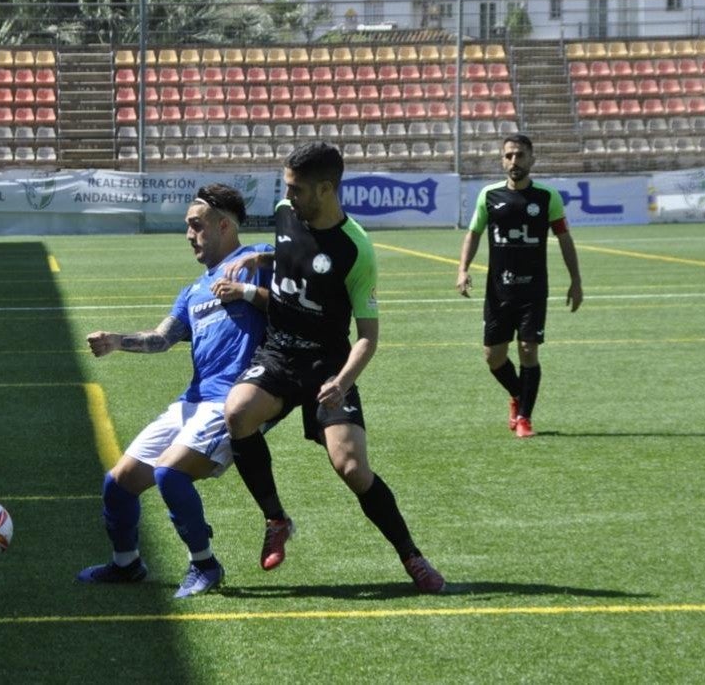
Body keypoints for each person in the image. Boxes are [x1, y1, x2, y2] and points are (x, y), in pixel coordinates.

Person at [222, 141, 445, 593]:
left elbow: (368, 337)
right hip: (279, 353)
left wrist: (342, 382)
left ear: (326, 189)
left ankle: (412, 556)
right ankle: (276, 519)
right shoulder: (288, 210)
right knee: (237, 414)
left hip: (328, 365)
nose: (289, 196)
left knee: (351, 468)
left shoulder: (355, 249)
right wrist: (260, 259)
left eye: (298, 189)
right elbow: (293, 256)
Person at [77, 184, 272, 598]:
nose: (189, 234)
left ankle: (205, 564)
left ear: (223, 225)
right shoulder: (193, 291)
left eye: (195, 225)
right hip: (193, 400)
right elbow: (162, 339)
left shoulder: (257, 261)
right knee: (118, 483)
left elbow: (304, 286)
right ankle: (126, 565)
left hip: (234, 400)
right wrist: (117, 340)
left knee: (169, 472)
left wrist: (257, 274)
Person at [456, 133, 583, 438]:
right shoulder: (489, 195)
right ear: (503, 160)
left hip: (533, 290)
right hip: (498, 291)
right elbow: (473, 233)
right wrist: (462, 270)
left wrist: (576, 281)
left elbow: (564, 238)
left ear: (532, 159)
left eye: (520, 155)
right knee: (493, 357)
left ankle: (524, 417)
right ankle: (518, 395)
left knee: (528, 350)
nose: (515, 161)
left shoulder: (547, 197)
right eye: (509, 155)